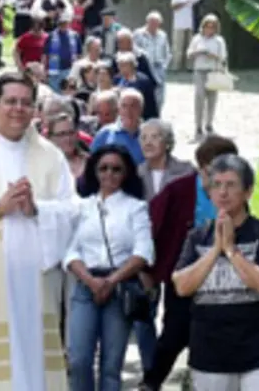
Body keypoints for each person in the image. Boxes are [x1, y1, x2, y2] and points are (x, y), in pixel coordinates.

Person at [0, 72, 76, 390]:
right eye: (10, 101)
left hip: (35, 281)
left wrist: (36, 209)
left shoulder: (50, 155)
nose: (18, 109)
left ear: (35, 110)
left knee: (31, 359)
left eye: (26, 103)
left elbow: (72, 212)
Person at [173, 154, 259, 391]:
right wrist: (215, 250)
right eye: (217, 185)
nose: (223, 192)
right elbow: (182, 286)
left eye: (231, 185)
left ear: (248, 191)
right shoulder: (197, 237)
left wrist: (231, 250)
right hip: (210, 356)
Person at [139, 135, 239, 391]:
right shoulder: (179, 190)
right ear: (200, 167)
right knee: (174, 333)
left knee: (215, 336)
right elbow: (152, 226)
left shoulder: (233, 194)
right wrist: (148, 270)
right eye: (211, 171)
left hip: (220, 277)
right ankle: (151, 383)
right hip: (183, 272)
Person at [65, 144, 154, 391]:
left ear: (125, 173)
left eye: (116, 169)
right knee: (79, 359)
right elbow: (71, 251)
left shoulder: (136, 208)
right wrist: (91, 281)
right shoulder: (82, 207)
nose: (109, 174)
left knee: (111, 366)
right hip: (86, 285)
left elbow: (143, 253)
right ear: (94, 171)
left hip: (120, 286)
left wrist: (111, 281)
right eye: (103, 168)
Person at [132, 119, 194, 375]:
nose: (148, 142)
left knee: (174, 314)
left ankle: (165, 366)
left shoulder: (185, 171)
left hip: (176, 250)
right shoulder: (135, 174)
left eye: (155, 136)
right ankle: (150, 369)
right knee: (144, 312)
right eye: (144, 137)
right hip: (145, 250)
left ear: (167, 142)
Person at [187, 14, 228, 139]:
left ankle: (209, 123)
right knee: (199, 97)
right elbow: (189, 54)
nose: (210, 29)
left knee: (212, 99)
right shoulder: (197, 39)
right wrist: (198, 52)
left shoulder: (219, 40)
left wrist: (213, 56)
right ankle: (198, 125)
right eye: (207, 26)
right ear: (203, 26)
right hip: (200, 70)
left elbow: (223, 57)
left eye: (212, 27)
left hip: (213, 70)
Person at [90, 88, 145, 165]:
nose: (128, 110)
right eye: (124, 106)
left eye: (133, 106)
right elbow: (92, 163)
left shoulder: (149, 134)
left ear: (141, 109)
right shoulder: (105, 133)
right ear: (119, 109)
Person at [134, 11, 172, 112]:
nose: (154, 25)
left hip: (159, 67)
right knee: (145, 92)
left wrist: (165, 66)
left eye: (156, 23)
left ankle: (157, 114)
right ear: (147, 22)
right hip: (145, 68)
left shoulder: (163, 35)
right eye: (152, 22)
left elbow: (167, 52)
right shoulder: (139, 34)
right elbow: (134, 49)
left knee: (160, 96)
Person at [42, 11, 82, 93]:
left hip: (70, 70)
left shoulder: (75, 35)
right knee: (54, 94)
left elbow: (79, 55)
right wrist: (44, 71)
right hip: (54, 72)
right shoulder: (51, 36)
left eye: (65, 23)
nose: (63, 25)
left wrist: (78, 70)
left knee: (68, 93)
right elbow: (45, 55)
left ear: (68, 23)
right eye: (61, 23)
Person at [113, 51, 158, 120]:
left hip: (140, 116)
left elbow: (141, 98)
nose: (120, 68)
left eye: (123, 65)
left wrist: (123, 91)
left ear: (132, 65)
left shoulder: (142, 80)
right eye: (119, 65)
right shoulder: (117, 78)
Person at [170, 0, 201, 71]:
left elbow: (198, 7)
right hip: (179, 24)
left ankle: (189, 66)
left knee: (191, 46)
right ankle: (176, 66)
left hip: (191, 24)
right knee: (177, 46)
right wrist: (185, 3)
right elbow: (173, 6)